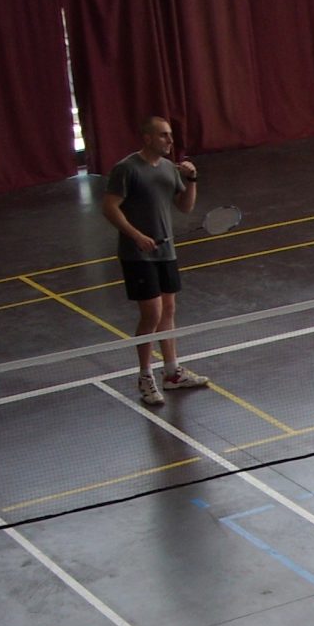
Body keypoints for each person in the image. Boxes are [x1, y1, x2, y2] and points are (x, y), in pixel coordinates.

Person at [101, 115, 213, 408]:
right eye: (163, 135)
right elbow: (109, 207)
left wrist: (191, 180)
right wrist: (136, 236)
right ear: (148, 138)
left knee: (169, 311)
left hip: (166, 251)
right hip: (137, 254)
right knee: (152, 314)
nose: (170, 140)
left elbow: (185, 206)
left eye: (170, 135)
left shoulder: (168, 168)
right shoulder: (126, 169)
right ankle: (145, 376)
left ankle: (172, 373)